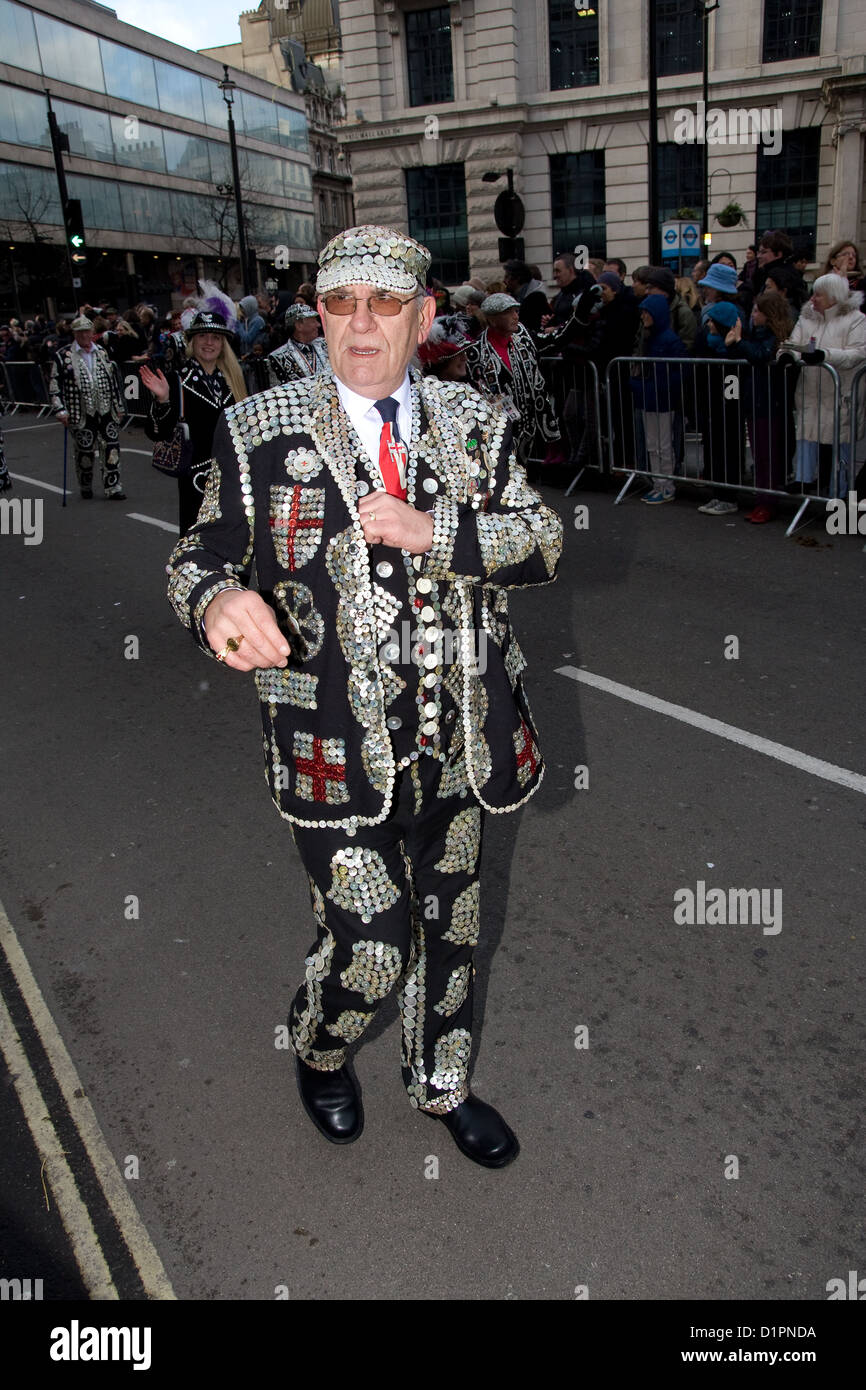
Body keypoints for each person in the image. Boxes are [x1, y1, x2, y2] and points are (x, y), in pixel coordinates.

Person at [165, 224, 563, 1168]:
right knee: (373, 944)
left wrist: (440, 530)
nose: (361, 324)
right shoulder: (259, 430)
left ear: (423, 318)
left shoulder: (477, 421)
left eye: (386, 304)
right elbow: (198, 555)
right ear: (320, 317)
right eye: (341, 303)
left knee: (454, 929)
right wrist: (219, 598)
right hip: (331, 745)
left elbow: (543, 541)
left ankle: (441, 1083)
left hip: (461, 739)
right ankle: (320, 1044)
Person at [141, 310, 247, 536]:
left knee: (236, 544)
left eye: (216, 337)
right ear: (192, 341)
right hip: (196, 482)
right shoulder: (177, 381)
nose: (209, 343)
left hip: (234, 479)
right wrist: (162, 401)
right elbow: (156, 432)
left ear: (223, 344)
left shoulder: (235, 381)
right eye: (202, 336)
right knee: (197, 547)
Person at [784, 273, 866, 496]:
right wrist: (788, 355)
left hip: (841, 393)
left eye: (818, 294)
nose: (813, 299)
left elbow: (858, 353)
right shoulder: (806, 318)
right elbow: (793, 343)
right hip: (811, 390)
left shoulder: (856, 319)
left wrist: (824, 355)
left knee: (841, 445)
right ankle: (803, 480)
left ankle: (838, 494)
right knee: (806, 435)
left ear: (833, 296)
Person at [464, 292, 560, 475]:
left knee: (520, 475)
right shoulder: (477, 352)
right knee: (500, 477)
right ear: (492, 319)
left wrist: (580, 314)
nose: (515, 316)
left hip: (526, 426)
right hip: (496, 430)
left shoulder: (522, 340)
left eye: (516, 311)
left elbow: (557, 340)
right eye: (508, 312)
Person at [724, 290, 795, 523]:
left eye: (757, 311)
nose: (752, 315)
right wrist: (733, 344)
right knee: (759, 455)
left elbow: (761, 355)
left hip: (769, 404)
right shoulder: (755, 334)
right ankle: (761, 500)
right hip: (755, 401)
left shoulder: (775, 338)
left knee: (768, 457)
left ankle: (768, 502)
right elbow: (744, 356)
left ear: (769, 314)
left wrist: (740, 341)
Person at [49, 314, 125, 500]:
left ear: (92, 332)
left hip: (106, 409)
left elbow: (113, 381)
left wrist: (119, 406)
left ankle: (113, 486)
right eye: (80, 332)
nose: (84, 335)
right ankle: (86, 484)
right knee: (85, 451)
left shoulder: (102, 352)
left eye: (87, 331)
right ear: (74, 333)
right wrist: (60, 409)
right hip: (80, 411)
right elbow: (54, 384)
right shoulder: (63, 356)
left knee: (111, 447)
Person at [629, 295, 687, 504]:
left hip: (664, 400)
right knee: (653, 444)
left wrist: (660, 386)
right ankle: (658, 483)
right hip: (649, 397)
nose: (643, 316)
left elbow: (680, 370)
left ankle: (667, 485)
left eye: (647, 312)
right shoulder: (648, 337)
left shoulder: (669, 339)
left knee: (663, 444)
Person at [266, 304, 330, 386]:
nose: (318, 325)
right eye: (313, 321)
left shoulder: (327, 344)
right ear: (299, 326)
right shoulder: (278, 358)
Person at [501, 261, 550, 334]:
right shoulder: (517, 297)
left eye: (507, 277)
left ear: (517, 278)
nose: (504, 281)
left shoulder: (535, 298)